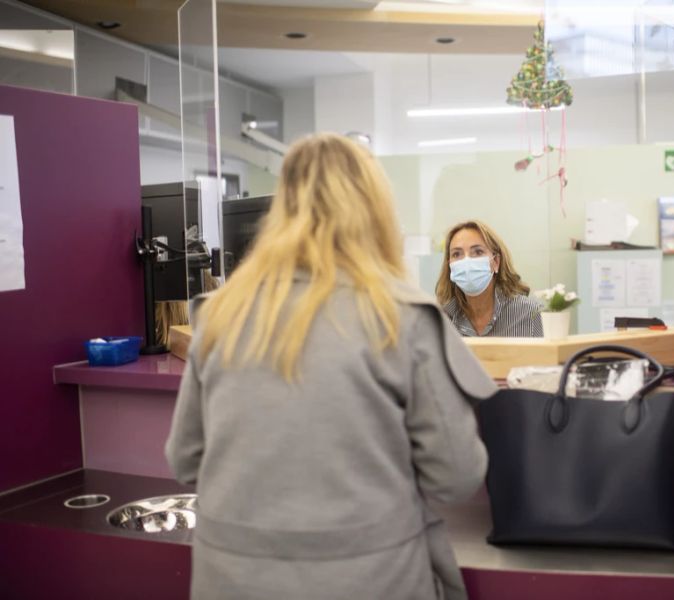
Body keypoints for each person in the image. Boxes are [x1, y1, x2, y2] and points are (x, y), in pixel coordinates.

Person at [165, 133, 497, 600]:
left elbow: (184, 460)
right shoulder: (400, 316)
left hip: (231, 580)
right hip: (369, 579)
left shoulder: (221, 314)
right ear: (376, 211)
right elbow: (457, 476)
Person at [436, 220, 543, 337]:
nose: (467, 261)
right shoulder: (439, 320)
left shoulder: (531, 313)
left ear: (496, 262)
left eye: (478, 252)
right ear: (450, 265)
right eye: (457, 254)